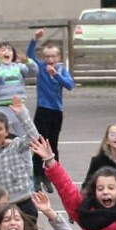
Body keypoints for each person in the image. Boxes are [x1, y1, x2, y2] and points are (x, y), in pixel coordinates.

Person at [25, 30, 76, 183]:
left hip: (56, 111)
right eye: (47, 57)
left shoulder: (61, 70)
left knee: (53, 143)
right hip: (43, 110)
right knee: (39, 142)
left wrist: (56, 75)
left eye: (53, 56)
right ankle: (37, 173)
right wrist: (34, 39)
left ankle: (53, 172)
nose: (50, 59)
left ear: (58, 57)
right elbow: (29, 56)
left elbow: (70, 85)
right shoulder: (40, 67)